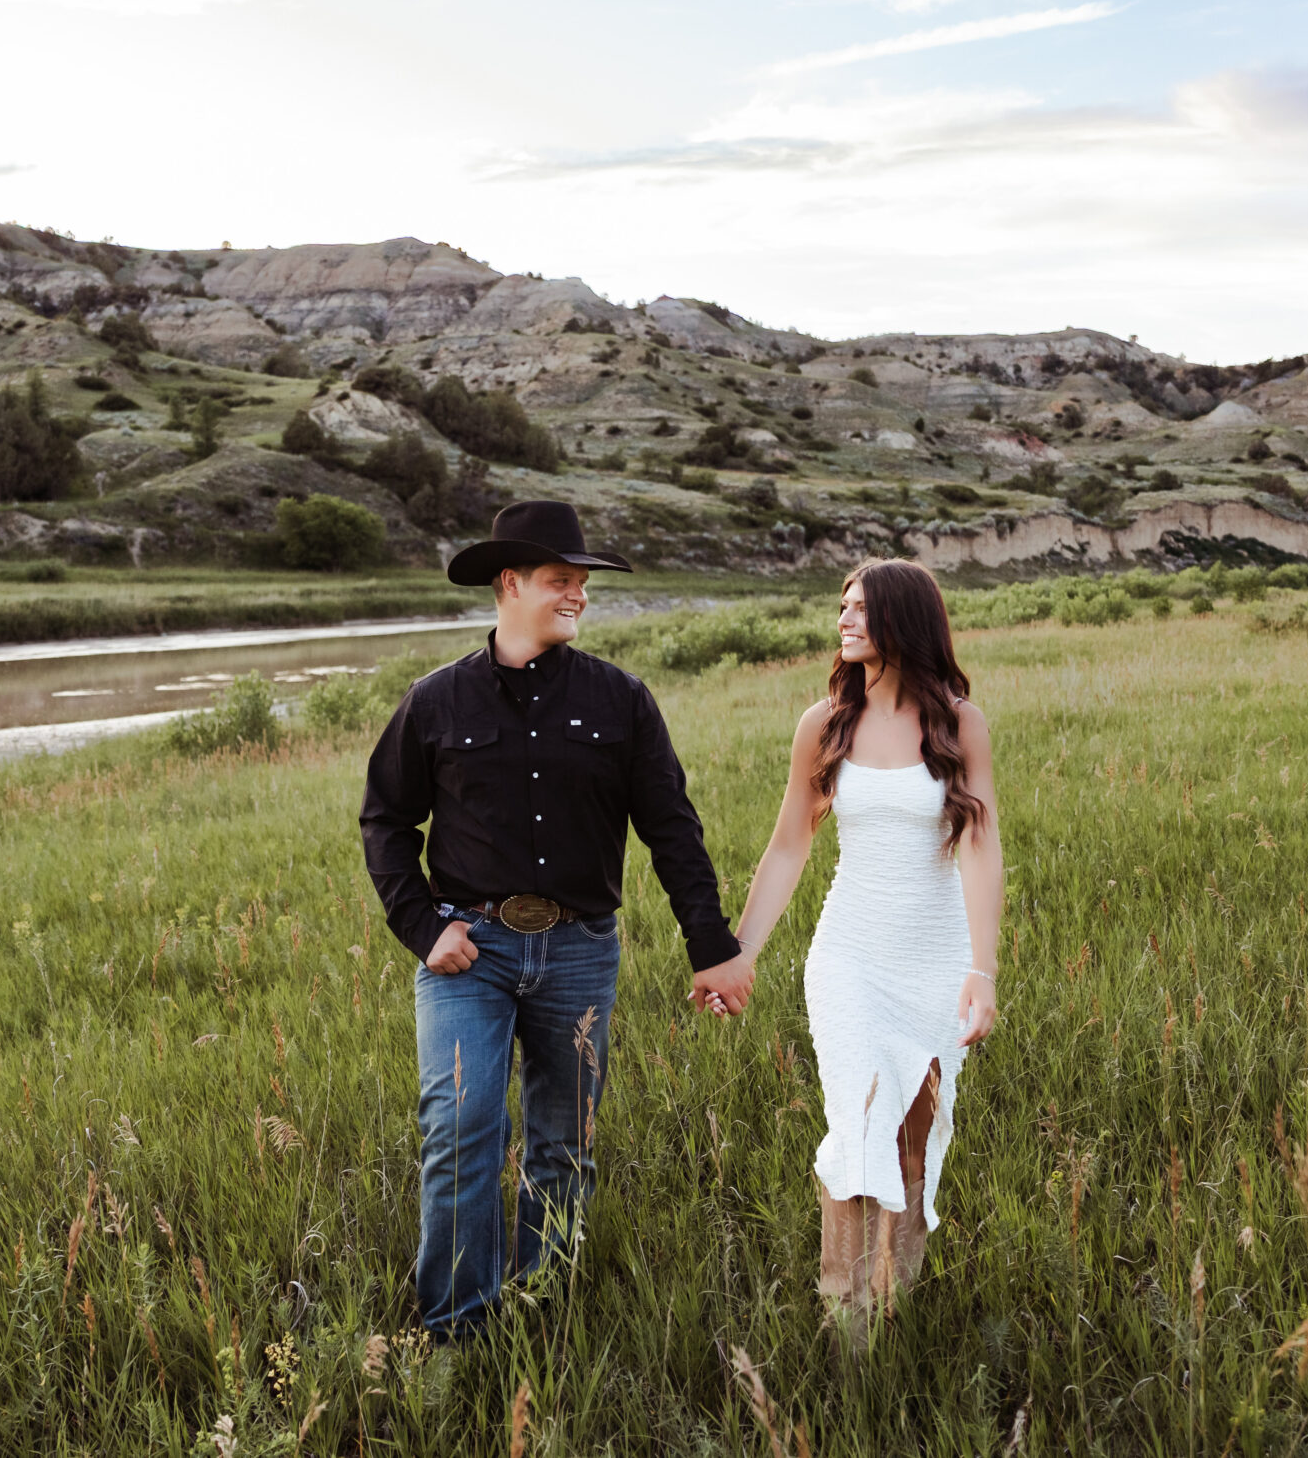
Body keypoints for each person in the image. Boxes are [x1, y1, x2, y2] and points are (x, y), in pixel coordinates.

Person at [361, 499, 755, 1341]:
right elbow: (385, 821)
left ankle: (542, 1307)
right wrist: (424, 928)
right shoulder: (435, 702)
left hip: (580, 952)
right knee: (460, 1126)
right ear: (509, 584)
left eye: (581, 583)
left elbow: (672, 829)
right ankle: (458, 1329)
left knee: (562, 1142)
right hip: (472, 950)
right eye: (558, 581)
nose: (576, 595)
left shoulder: (622, 700)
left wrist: (712, 948)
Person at [713, 558, 1005, 1337]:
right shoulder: (824, 723)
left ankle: (892, 1301)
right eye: (841, 607)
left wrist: (982, 967)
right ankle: (846, 1318)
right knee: (855, 1126)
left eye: (860, 609)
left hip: (935, 959)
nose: (843, 620)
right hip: (847, 956)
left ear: (905, 621)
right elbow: (787, 849)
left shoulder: (957, 721)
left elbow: (980, 844)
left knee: (910, 1139)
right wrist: (739, 951)